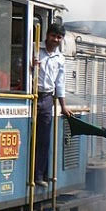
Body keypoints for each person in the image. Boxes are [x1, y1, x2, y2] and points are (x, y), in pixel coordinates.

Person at [31, 22, 73, 187]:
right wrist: (31, 65)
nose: (55, 39)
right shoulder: (34, 48)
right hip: (32, 95)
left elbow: (60, 83)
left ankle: (40, 175)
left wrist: (63, 106)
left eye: (59, 37)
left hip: (47, 98)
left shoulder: (60, 58)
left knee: (44, 138)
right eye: (53, 35)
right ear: (47, 35)